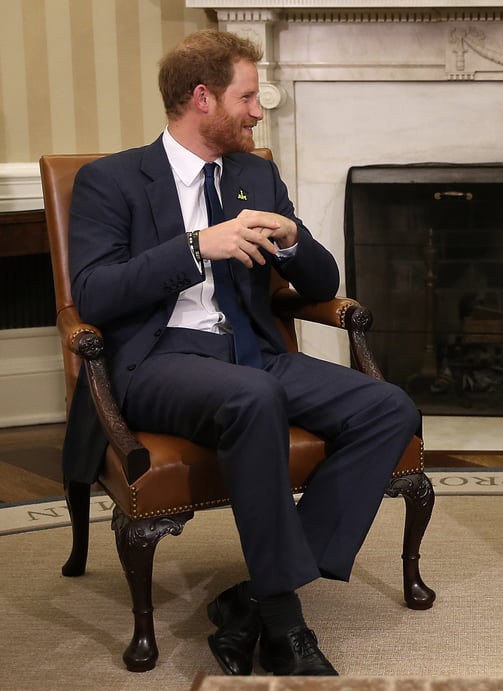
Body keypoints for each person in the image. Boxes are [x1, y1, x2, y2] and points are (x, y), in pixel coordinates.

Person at [64, 29, 420, 676]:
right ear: (203, 98)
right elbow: (94, 291)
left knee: (388, 407)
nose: (260, 111)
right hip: (156, 359)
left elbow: (321, 284)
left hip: (253, 351)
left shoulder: (257, 173)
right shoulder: (109, 180)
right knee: (254, 396)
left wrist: (291, 241)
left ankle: (249, 600)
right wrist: (200, 245)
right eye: (248, 96)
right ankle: (285, 623)